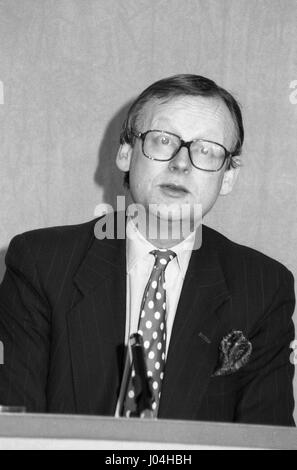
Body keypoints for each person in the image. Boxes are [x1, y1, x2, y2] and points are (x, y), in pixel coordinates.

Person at [0, 74, 295, 426]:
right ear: (125, 153)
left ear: (228, 176)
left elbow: (265, 438)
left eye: (206, 149)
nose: (181, 163)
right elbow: (17, 426)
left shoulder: (262, 286)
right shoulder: (41, 264)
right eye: (162, 140)